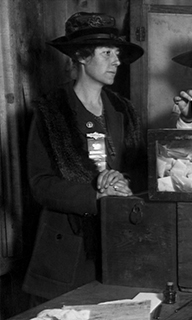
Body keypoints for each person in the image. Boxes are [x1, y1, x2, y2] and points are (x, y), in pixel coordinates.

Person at [22, 12, 146, 300]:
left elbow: (139, 170)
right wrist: (95, 197)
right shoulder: (51, 111)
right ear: (80, 55)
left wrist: (123, 185)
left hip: (120, 239)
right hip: (69, 247)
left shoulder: (123, 109)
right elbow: (40, 183)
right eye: (106, 52)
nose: (116, 60)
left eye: (117, 53)